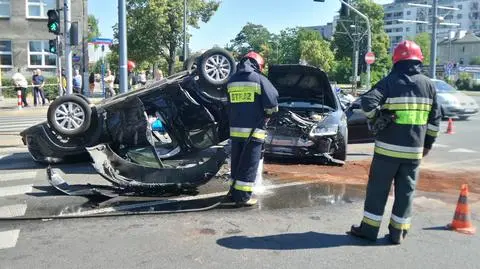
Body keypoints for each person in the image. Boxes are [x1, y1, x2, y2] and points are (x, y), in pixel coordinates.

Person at [349, 40, 441, 244]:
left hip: (387, 152)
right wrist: (427, 145)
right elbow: (435, 122)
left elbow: (367, 102)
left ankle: (369, 231)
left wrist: (377, 117)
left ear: (396, 60)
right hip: (414, 152)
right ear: (419, 60)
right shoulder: (429, 86)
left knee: (378, 191)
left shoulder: (390, 82)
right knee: (406, 192)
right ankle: (398, 233)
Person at [226, 51, 279, 207]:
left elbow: (228, 104)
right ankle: (243, 197)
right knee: (249, 164)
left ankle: (234, 192)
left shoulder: (232, 80)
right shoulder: (259, 79)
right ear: (258, 65)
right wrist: (268, 114)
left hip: (235, 131)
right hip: (254, 131)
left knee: (236, 163)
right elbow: (272, 103)